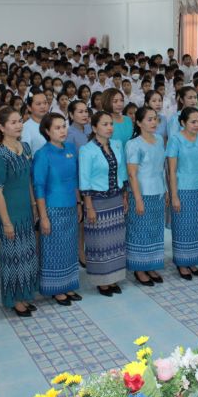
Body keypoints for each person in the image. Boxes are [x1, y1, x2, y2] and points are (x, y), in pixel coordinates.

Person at [0, 108, 40, 317]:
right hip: (8, 212)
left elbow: (27, 180)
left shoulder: (25, 147)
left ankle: (25, 294)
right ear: (1, 127)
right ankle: (14, 299)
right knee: (12, 257)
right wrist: (6, 222)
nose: (18, 125)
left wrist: (34, 205)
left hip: (25, 209)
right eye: (13, 122)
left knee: (27, 254)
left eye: (20, 121)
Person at [33, 113, 82, 306]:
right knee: (54, 250)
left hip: (71, 205)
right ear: (47, 131)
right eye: (57, 128)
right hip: (53, 209)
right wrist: (43, 217)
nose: (63, 131)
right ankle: (56, 288)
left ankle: (68, 284)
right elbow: (39, 187)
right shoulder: (43, 154)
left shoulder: (70, 148)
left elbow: (75, 179)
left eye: (64, 126)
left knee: (70, 248)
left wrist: (79, 204)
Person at [79, 111, 129, 297]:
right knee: (99, 243)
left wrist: (124, 195)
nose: (109, 127)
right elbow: (84, 180)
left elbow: (121, 172)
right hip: (97, 202)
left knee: (115, 241)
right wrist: (88, 206)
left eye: (111, 124)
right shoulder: (87, 150)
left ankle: (113, 278)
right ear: (94, 128)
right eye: (105, 124)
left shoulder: (116, 145)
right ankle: (102, 281)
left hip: (115, 199)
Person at [166, 107, 198, 280]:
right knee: (183, 227)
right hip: (183, 189)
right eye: (193, 121)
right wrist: (174, 195)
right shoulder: (175, 140)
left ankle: (192, 260)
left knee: (196, 227)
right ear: (183, 123)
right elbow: (172, 169)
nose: (197, 125)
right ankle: (182, 263)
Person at [125, 107, 168, 286]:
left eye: (155, 119)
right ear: (139, 122)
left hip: (158, 191)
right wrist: (138, 199)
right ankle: (139, 269)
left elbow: (162, 168)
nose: (153, 123)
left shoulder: (159, 140)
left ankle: (151, 265)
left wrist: (165, 190)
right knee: (139, 231)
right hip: (141, 193)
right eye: (149, 119)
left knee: (155, 230)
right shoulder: (133, 144)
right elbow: (132, 174)